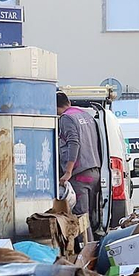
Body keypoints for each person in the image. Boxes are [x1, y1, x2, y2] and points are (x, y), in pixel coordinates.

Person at [56, 90, 102, 229]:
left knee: (81, 218)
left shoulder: (66, 118)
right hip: (94, 172)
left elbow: (73, 143)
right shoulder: (86, 116)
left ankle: (85, 249)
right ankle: (92, 245)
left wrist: (68, 171)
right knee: (89, 217)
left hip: (79, 174)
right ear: (68, 102)